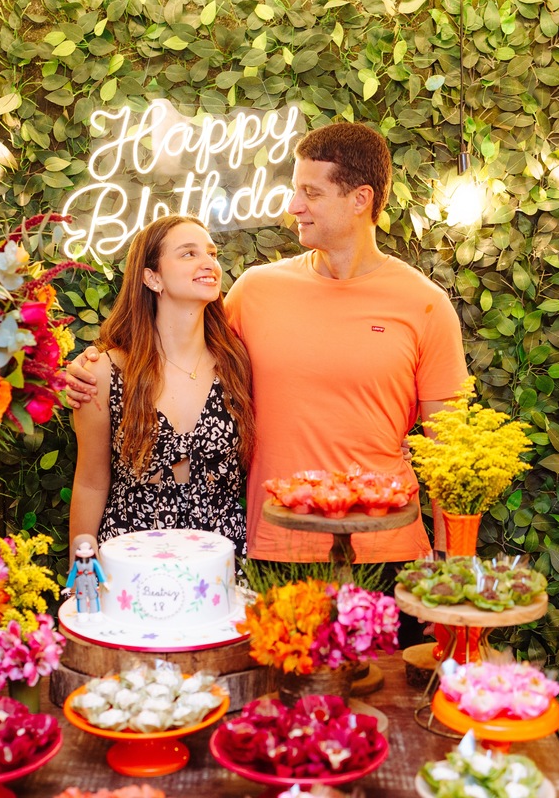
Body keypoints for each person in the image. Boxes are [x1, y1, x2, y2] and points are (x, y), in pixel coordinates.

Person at [68, 124, 468, 617]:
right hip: (270, 553)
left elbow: (451, 460)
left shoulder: (424, 304)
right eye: (294, 190)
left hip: (386, 553)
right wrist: (91, 365)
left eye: (310, 193)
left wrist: (451, 579)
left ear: (360, 199)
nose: (293, 206)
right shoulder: (256, 291)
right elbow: (181, 349)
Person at [67, 214, 254, 560]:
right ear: (152, 278)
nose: (209, 263)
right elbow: (90, 483)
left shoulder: (237, 364)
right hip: (132, 562)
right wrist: (80, 579)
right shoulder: (105, 372)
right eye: (188, 254)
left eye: (212, 254)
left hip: (222, 562)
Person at [63, 534, 106, 621]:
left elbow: (100, 572)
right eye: (80, 549)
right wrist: (69, 586)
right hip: (80, 582)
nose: (84, 551)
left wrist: (104, 582)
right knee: (81, 597)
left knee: (93, 596)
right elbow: (72, 575)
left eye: (89, 548)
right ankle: (82, 613)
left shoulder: (94, 562)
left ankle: (95, 612)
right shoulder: (76, 564)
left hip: (92, 581)